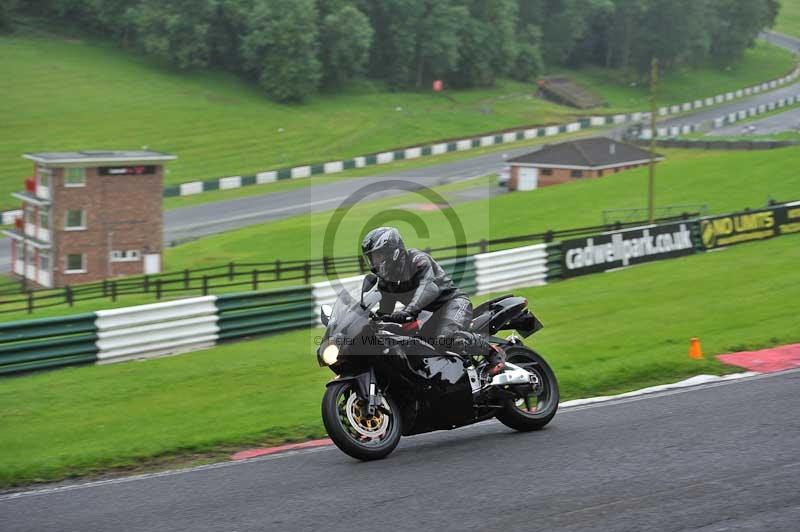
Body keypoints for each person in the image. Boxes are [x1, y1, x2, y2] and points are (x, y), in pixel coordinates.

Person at [361, 227, 505, 376]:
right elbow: (385, 311)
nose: (374, 261)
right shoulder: (386, 282)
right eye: (372, 257)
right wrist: (368, 319)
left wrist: (408, 311)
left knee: (445, 339)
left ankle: (492, 352)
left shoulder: (417, 260)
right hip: (427, 315)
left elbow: (429, 288)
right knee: (415, 349)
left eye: (378, 256)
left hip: (453, 303)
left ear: (393, 251)